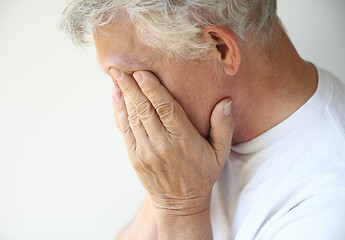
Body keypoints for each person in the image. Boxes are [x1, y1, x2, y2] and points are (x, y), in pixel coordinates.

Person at [60, 0, 345, 239]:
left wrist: (181, 212)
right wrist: (164, 190)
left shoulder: (328, 206)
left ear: (220, 49)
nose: (126, 99)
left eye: (131, 75)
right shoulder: (193, 139)